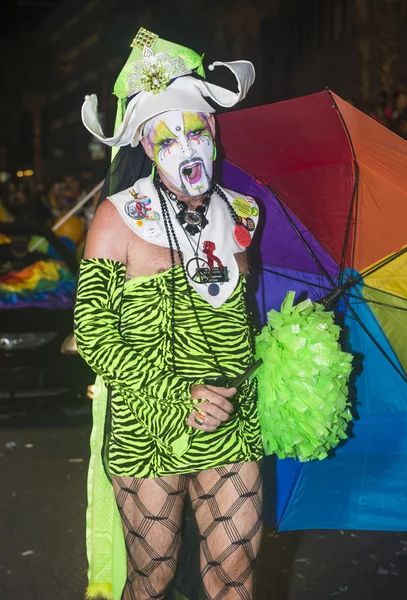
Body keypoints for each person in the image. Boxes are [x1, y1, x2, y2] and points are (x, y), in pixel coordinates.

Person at [74, 27, 263, 600]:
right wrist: (177, 396)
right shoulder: (116, 217)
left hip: (230, 417)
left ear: (214, 130)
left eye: (195, 131)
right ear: (148, 149)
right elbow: (92, 331)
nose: (186, 148)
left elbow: (239, 319)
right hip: (147, 426)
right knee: (152, 580)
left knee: (236, 574)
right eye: (166, 139)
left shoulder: (245, 214)